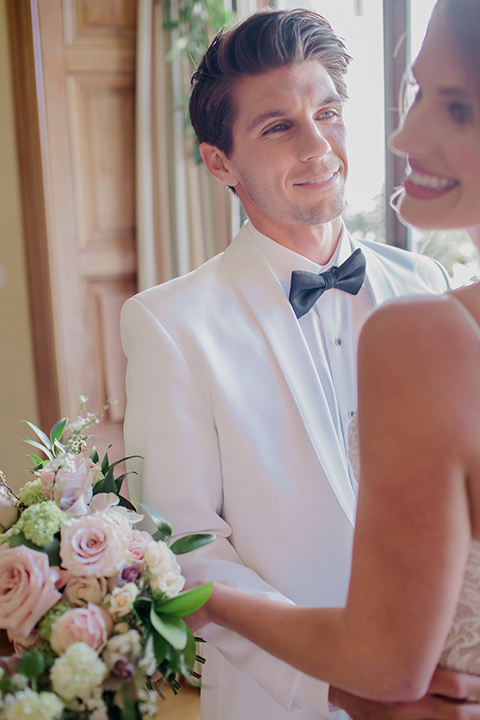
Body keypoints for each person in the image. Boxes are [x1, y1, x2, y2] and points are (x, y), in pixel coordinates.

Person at [121, 8, 480, 720]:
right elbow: (184, 550)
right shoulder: (169, 323)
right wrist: (336, 686)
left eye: (330, 112)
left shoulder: (432, 289)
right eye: (279, 126)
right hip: (280, 701)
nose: (320, 146)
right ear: (219, 161)